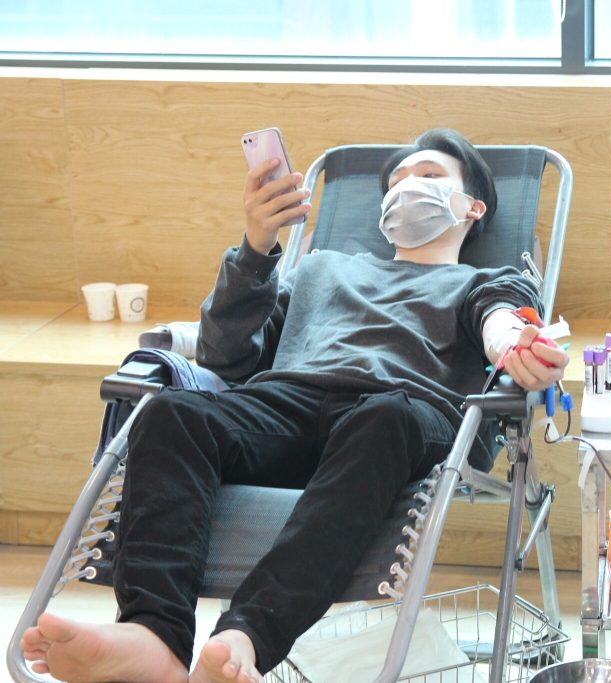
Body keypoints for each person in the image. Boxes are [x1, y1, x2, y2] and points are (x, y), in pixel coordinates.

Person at [20, 128, 569, 683]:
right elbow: (225, 355)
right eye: (397, 181)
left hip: (401, 418)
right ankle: (152, 636)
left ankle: (247, 635)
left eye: (428, 177)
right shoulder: (318, 269)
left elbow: (502, 316)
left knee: (384, 418)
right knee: (172, 413)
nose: (407, 188)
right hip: (286, 404)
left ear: (472, 206)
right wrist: (255, 247)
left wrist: (512, 342)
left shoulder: (479, 280)